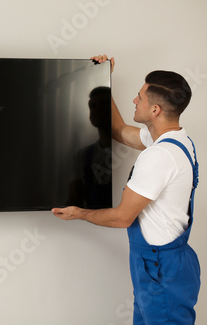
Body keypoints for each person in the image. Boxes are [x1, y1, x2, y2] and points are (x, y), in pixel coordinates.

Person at [52, 55, 200, 324]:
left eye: (140, 97)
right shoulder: (176, 140)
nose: (134, 100)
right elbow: (119, 130)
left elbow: (123, 217)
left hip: (159, 268)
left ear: (155, 110)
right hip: (165, 265)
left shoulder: (159, 156)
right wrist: (104, 78)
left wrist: (79, 213)